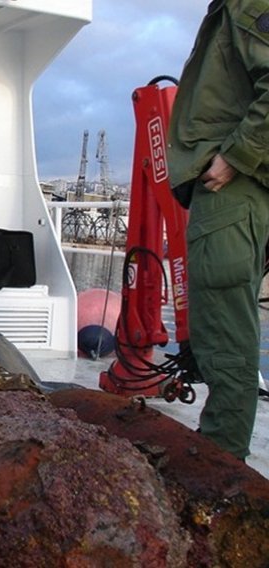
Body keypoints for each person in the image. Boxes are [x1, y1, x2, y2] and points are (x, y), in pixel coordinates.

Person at [167, 0, 269, 460]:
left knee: (225, 339)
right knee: (219, 333)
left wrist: (236, 156)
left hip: (231, 188)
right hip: (230, 193)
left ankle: (219, 474)